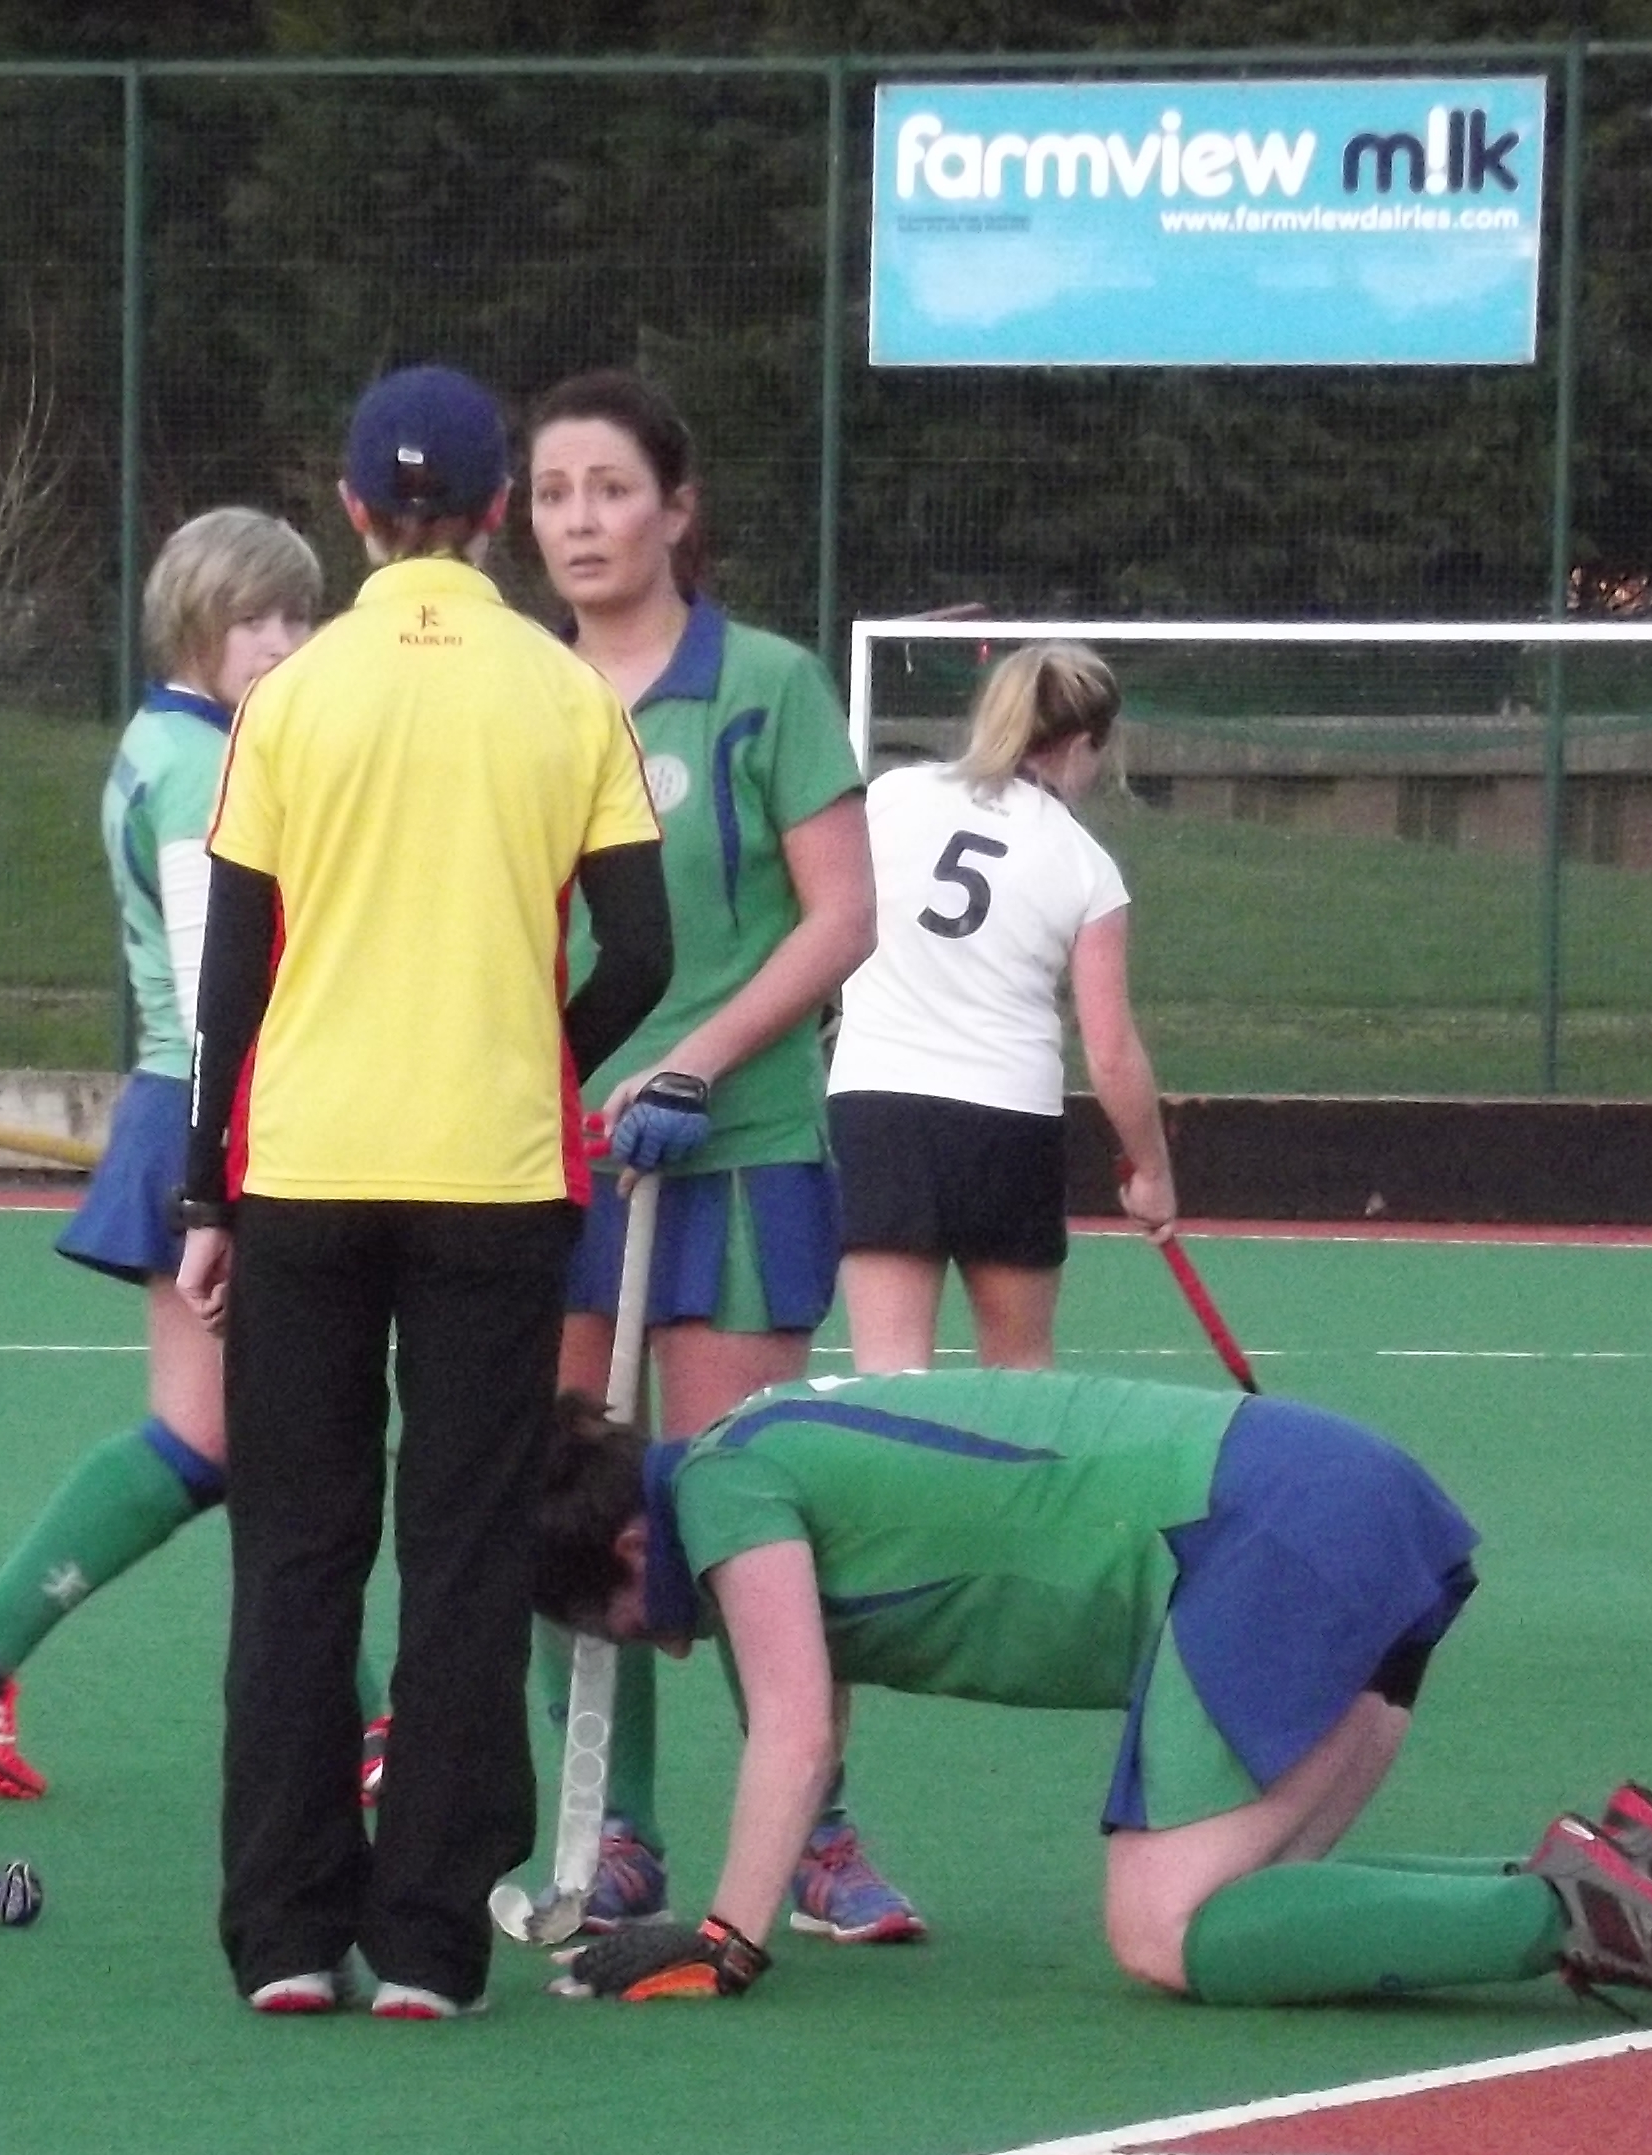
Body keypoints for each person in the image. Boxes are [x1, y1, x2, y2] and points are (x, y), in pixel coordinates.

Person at [527, 1371, 1652, 2024]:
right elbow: (807, 1701)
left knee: (1161, 1930)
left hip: (1260, 1528)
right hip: (1333, 1496)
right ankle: (1622, 1871)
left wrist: (724, 1940)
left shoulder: (722, 1485)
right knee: (1254, 1909)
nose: (651, 1649)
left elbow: (795, 1729)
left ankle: (1562, 1912)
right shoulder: (754, 1443)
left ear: (631, 1547)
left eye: (610, 1623)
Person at [172, 364, 672, 2018]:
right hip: (495, 1181)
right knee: (461, 1554)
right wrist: (539, 1054)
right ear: (501, 511)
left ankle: (283, 1932)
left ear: (350, 510)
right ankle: (429, 1945)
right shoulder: (566, 694)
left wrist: (204, 1193)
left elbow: (230, 977)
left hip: (306, 1174)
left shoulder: (290, 700)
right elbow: (642, 949)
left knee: (294, 1553)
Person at [517, 365, 914, 1944]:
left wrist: (695, 1056)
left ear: (675, 509)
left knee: (736, 1492)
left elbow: (842, 914)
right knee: (558, 1493)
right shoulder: (515, 693)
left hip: (735, 1151)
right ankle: (609, 1829)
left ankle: (810, 1822)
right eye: (553, 493)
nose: (581, 520)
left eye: (612, 488)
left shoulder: (766, 681)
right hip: (546, 1165)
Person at [0, 509, 322, 1799]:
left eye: (298, 617)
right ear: (194, 622)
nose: (283, 642)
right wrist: (230, 1161)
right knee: (233, 1437)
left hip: (197, 1109)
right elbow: (213, 980)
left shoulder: (175, 740)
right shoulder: (199, 767)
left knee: (250, 1440)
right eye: (254, 619)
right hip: (218, 1119)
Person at [828, 642, 1176, 1372]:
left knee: (889, 1378)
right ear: (1082, 745)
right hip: (1007, 1122)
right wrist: (1151, 1171)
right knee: (1019, 1377)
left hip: (878, 1109)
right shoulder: (1086, 865)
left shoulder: (891, 796)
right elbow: (1111, 1051)